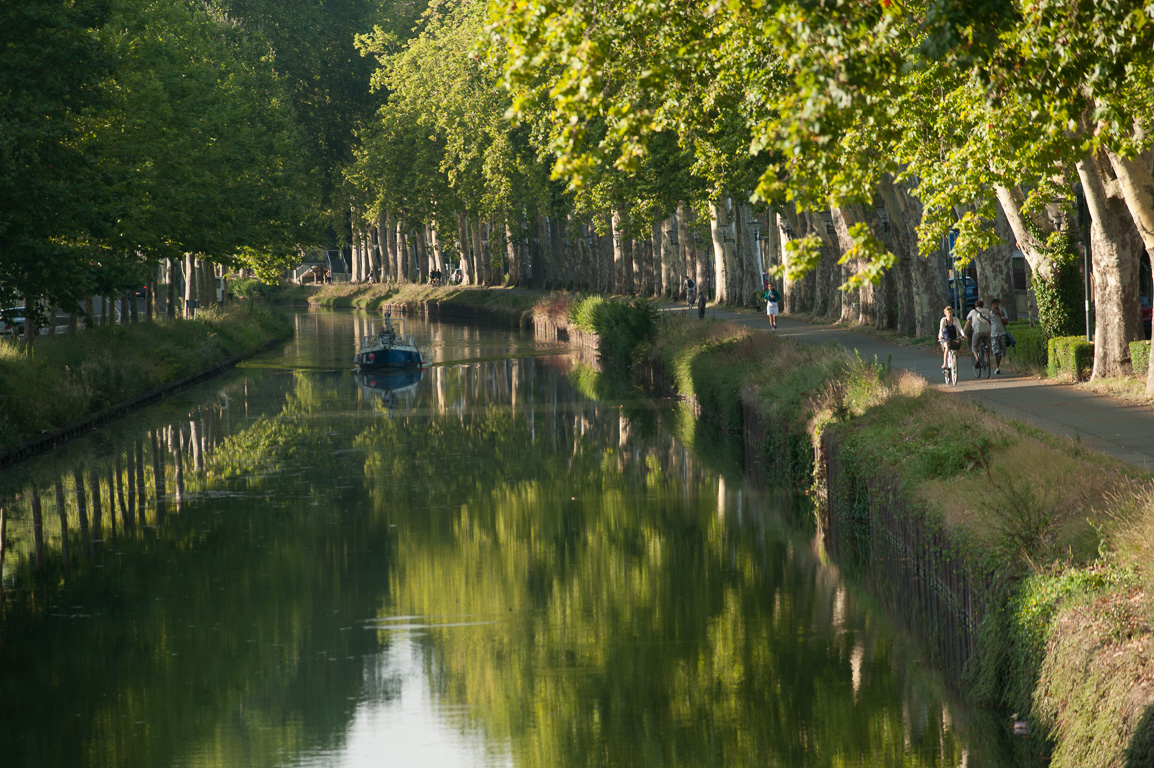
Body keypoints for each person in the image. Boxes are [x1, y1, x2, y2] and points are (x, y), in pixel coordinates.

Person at [964, 299, 992, 369]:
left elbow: (968, 322)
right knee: (985, 344)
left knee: (974, 346)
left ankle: (977, 359)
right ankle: (986, 358)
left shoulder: (973, 312)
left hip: (977, 332)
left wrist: (964, 331)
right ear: (983, 305)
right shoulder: (986, 311)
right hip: (987, 331)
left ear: (975, 306)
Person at [938, 306, 965, 370]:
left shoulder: (955, 320)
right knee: (947, 347)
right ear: (945, 313)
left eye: (950, 312)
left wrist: (963, 335)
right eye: (948, 312)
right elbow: (941, 329)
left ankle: (954, 361)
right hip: (945, 338)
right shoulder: (943, 320)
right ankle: (945, 364)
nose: (949, 314)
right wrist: (941, 336)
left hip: (953, 337)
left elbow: (960, 328)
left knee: (955, 348)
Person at [989, 298, 1009, 374]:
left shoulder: (1003, 312)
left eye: (996, 304)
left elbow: (1006, 322)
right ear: (992, 306)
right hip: (993, 334)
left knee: (1001, 351)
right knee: (995, 351)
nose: (995, 306)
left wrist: (1000, 316)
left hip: (1002, 333)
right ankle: (996, 367)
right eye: (994, 304)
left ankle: (997, 365)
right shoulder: (990, 314)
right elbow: (988, 323)